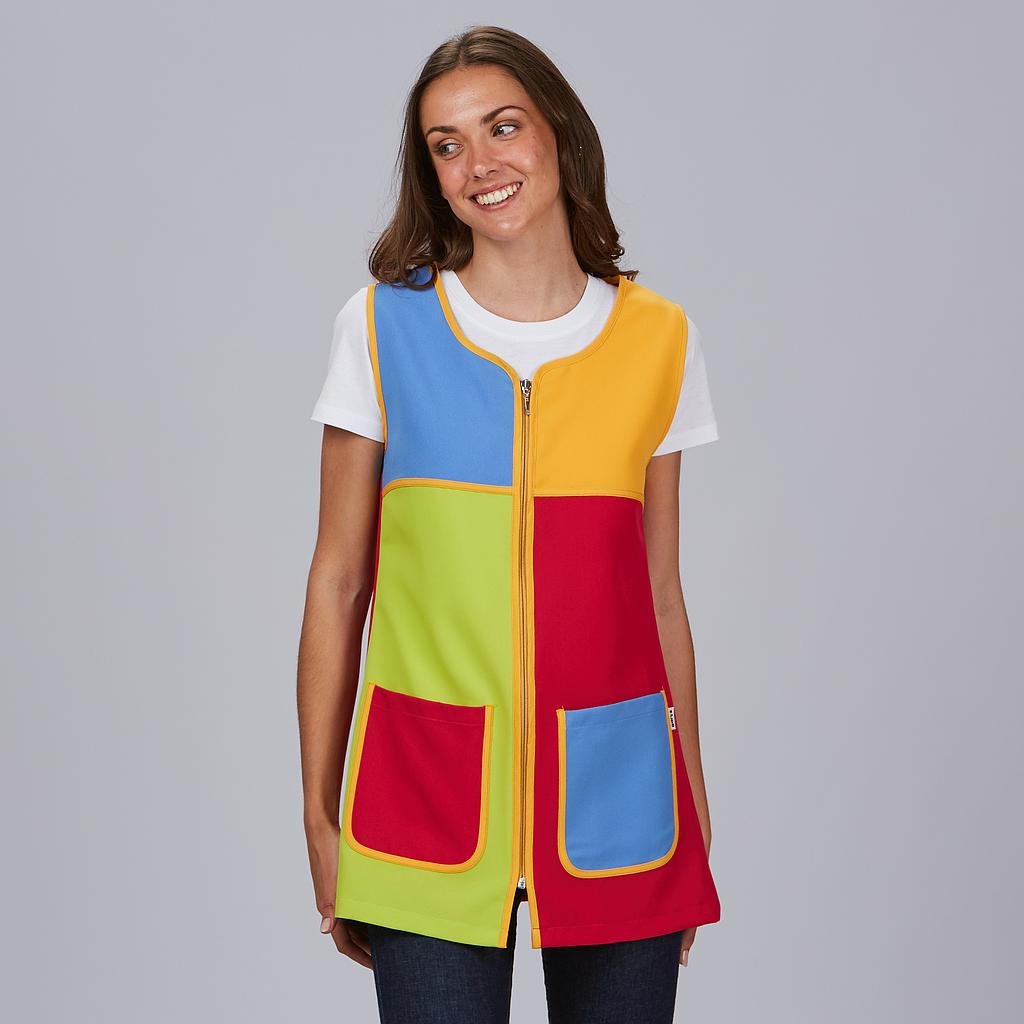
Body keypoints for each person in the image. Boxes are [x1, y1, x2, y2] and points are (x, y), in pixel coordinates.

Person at [297, 24, 722, 1024]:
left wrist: (692, 814)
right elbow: (338, 582)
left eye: (501, 127)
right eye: (445, 145)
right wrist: (318, 819)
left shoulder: (658, 338)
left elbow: (660, 595)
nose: (478, 163)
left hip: (620, 799)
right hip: (422, 797)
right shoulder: (381, 327)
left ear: (559, 133)